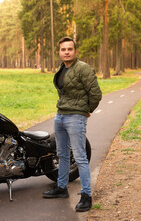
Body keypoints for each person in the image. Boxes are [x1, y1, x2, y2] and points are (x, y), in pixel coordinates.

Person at [42, 37, 102, 212]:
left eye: (69, 49)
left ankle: (86, 196)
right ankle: (61, 188)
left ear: (75, 51)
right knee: (62, 154)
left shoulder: (83, 68)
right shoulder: (62, 68)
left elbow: (96, 94)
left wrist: (86, 110)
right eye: (63, 49)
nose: (66, 52)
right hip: (61, 116)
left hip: (76, 117)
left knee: (80, 156)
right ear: (59, 52)